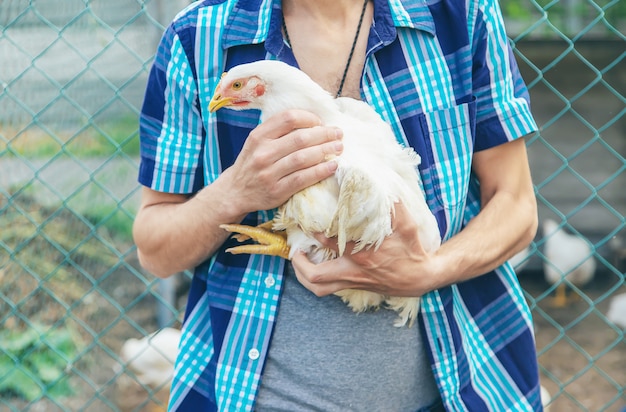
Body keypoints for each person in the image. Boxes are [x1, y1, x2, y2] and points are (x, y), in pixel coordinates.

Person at [133, 0, 543, 410]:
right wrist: (236, 192)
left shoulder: (460, 14)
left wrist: (427, 271)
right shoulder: (197, 38)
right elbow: (155, 250)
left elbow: (516, 205)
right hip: (258, 397)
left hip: (456, 388)